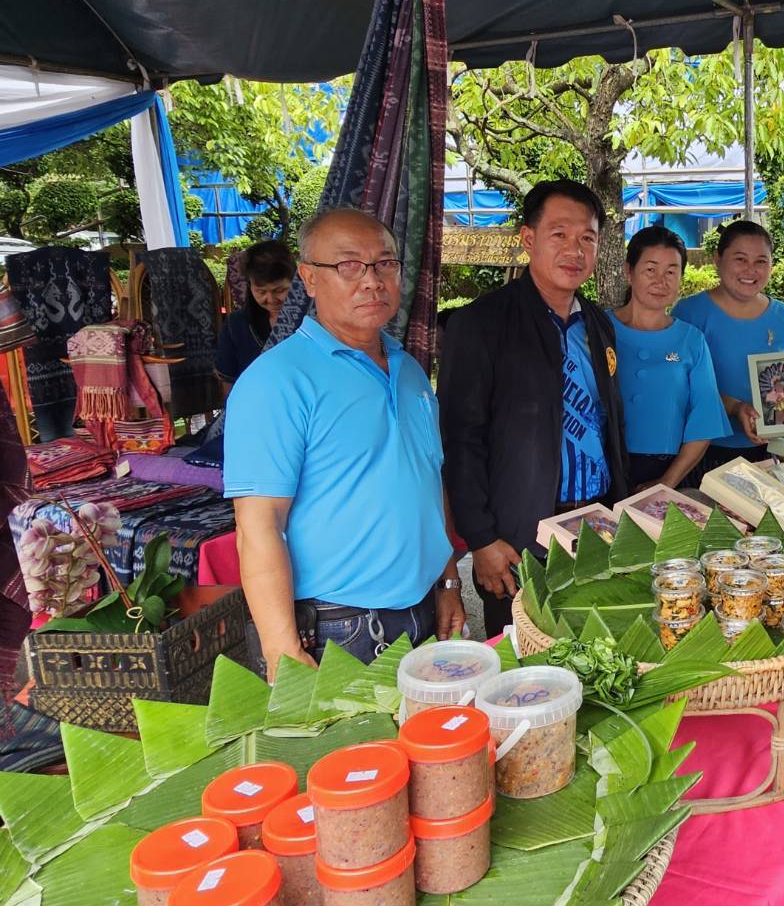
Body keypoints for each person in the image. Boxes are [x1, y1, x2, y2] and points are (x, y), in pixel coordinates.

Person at [225, 209, 464, 680]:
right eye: (349, 266)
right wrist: (281, 650)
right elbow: (258, 524)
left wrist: (449, 580)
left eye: (385, 264)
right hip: (341, 628)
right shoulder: (276, 380)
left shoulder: (409, 370)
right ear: (310, 279)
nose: (372, 281)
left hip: (421, 611)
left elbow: (429, 483)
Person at [439, 179, 629, 634]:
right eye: (559, 234)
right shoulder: (479, 324)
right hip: (519, 539)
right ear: (528, 239)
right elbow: (460, 441)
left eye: (587, 237)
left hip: (597, 527)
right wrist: (482, 540)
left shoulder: (598, 324)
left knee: (602, 656)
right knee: (526, 669)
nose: (574, 249)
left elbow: (610, 427)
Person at [672, 221, 784, 476]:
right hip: (702, 452)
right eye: (740, 259)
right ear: (718, 259)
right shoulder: (690, 313)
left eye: (761, 261)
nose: (750, 270)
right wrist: (734, 407)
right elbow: (678, 388)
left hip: (769, 452)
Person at [610, 225, 729, 489]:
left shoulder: (692, 340)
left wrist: (666, 482)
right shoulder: (598, 330)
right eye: (650, 270)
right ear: (629, 272)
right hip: (601, 469)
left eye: (671, 272)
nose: (660, 281)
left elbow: (705, 422)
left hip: (667, 471)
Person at [216, 240, 295, 391]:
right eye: (261, 292)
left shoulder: (315, 320)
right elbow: (228, 379)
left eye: (279, 290)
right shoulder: (236, 325)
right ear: (250, 286)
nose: (271, 300)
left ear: (296, 282)